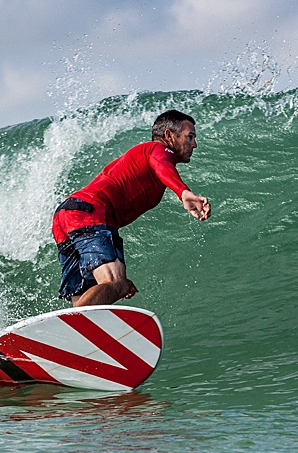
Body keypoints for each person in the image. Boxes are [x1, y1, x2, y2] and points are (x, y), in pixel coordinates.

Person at [52, 110, 211, 306]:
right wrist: (183, 192)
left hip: (67, 215)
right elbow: (160, 162)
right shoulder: (158, 149)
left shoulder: (146, 161)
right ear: (169, 135)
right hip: (91, 212)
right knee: (115, 283)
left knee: (86, 295)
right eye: (190, 137)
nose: (194, 144)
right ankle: (72, 330)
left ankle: (72, 330)